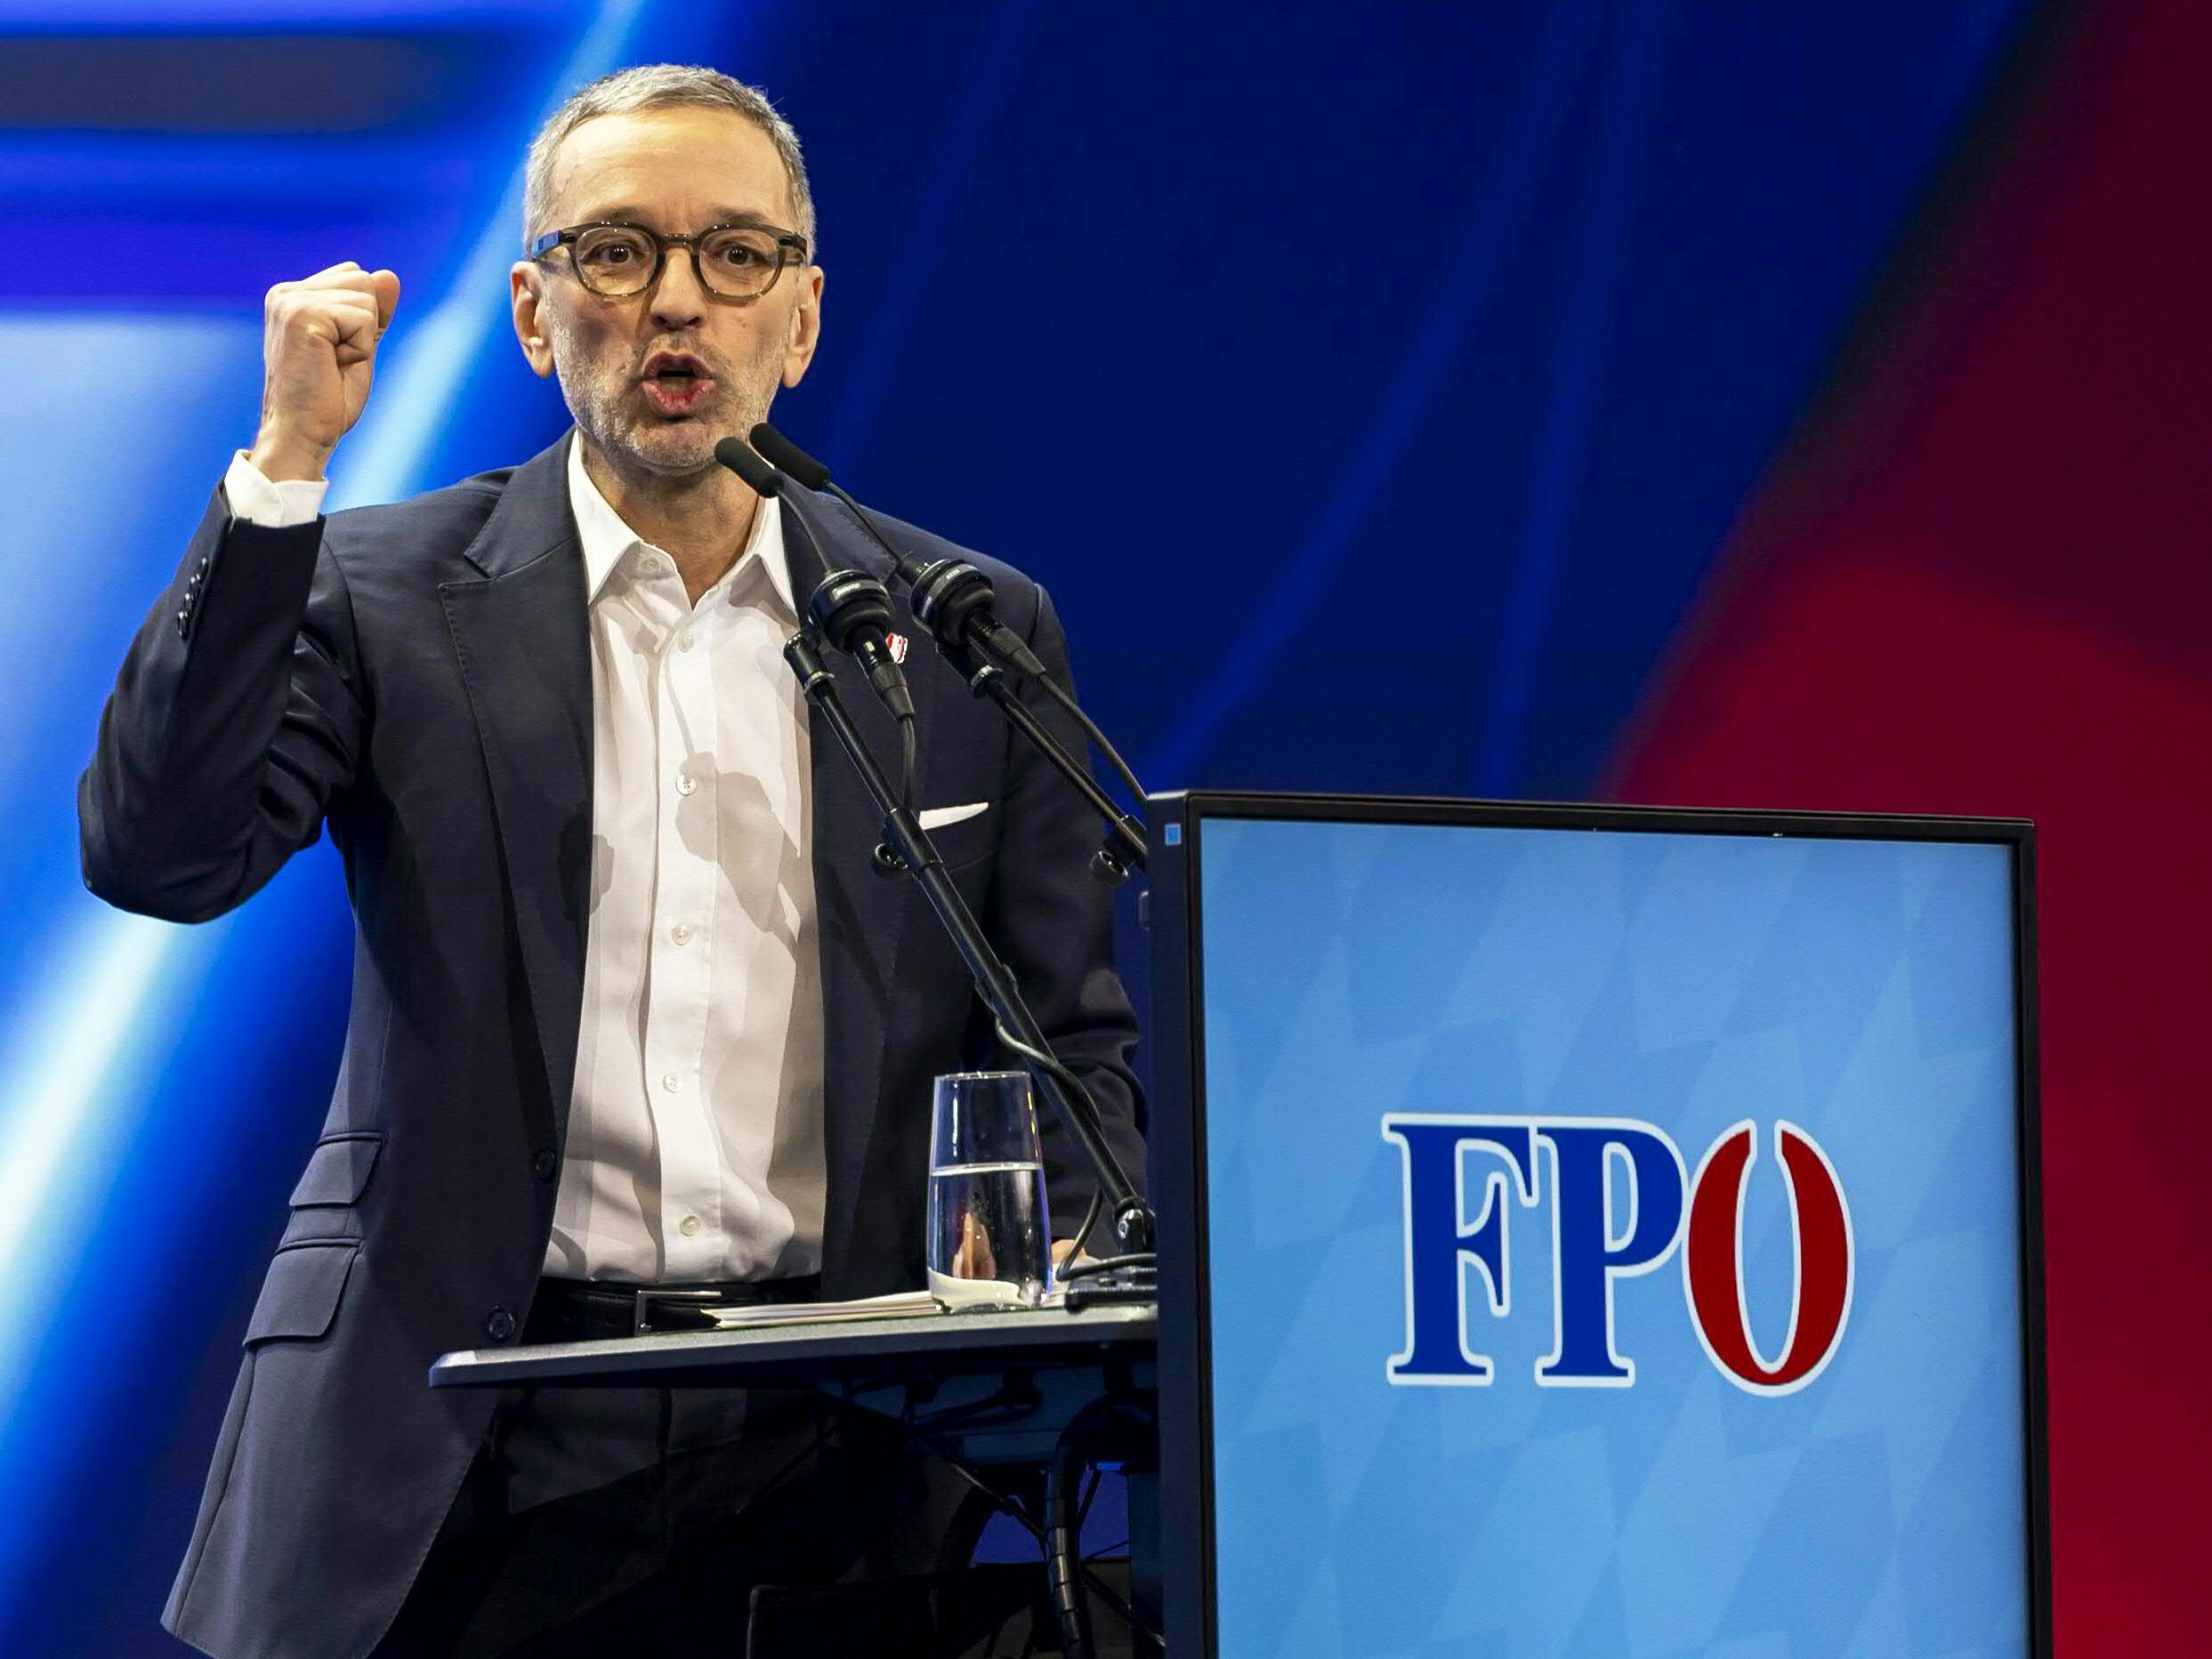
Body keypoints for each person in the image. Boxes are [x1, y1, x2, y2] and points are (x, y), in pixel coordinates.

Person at [78, 63, 1144, 1659]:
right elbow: (162, 853)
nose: (678, 303)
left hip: (841, 1444)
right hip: (470, 1429)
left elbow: (1064, 1041)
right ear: (533, 311)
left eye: (737, 255)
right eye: (617, 251)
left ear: (801, 317)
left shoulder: (951, 627)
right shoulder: (382, 591)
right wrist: (285, 467)